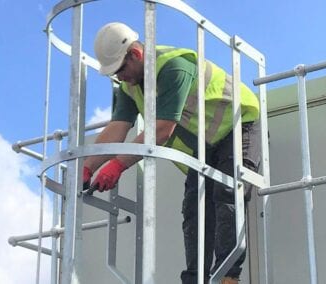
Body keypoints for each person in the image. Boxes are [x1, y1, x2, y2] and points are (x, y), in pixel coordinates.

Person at [82, 22, 261, 284]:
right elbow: (117, 129)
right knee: (194, 207)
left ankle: (228, 276)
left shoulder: (172, 67)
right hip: (206, 145)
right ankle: (195, 279)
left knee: (227, 192)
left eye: (120, 69)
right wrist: (87, 167)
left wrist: (118, 165)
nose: (120, 77)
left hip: (240, 124)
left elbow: (162, 129)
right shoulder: (130, 86)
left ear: (136, 55)